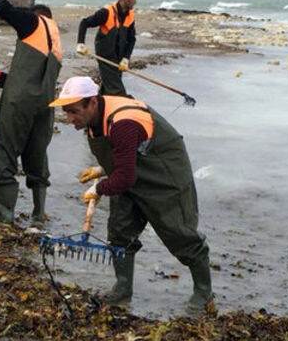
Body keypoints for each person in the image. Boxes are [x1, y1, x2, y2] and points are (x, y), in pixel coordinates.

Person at [51, 76, 213, 313]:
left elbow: (125, 177)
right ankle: (123, 289)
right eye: (66, 112)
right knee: (120, 231)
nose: (69, 118)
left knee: (179, 234)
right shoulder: (96, 119)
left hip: (164, 173)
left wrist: (99, 188)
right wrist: (104, 169)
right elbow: (123, 160)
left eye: (74, 111)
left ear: (93, 103)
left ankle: (204, 293)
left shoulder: (123, 123)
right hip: (133, 170)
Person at [0, 0, 62, 224]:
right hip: (45, 107)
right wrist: (1, 77)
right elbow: (33, 80)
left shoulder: (35, 22)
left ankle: (4, 213)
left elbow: (7, 11)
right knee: (36, 155)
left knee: (5, 150)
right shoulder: (55, 42)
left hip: (18, 106)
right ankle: (39, 214)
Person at [75, 0, 142, 96]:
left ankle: (101, 105)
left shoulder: (130, 15)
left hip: (119, 55)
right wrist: (80, 43)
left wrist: (126, 58)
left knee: (109, 85)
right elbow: (84, 23)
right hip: (105, 54)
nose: (135, 1)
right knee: (116, 88)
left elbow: (131, 39)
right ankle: (123, 103)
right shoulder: (106, 12)